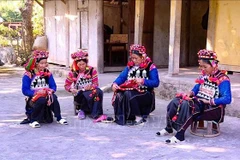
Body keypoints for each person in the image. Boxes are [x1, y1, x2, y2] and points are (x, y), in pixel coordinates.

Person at [156, 49, 232, 144]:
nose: (202, 69)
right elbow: (196, 88)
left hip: (214, 108)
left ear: (213, 65)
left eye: (205, 66)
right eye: (200, 66)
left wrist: (208, 101)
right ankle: (169, 127)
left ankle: (180, 135)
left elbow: (227, 99)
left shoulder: (223, 79)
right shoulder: (204, 76)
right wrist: (191, 92)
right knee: (176, 101)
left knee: (190, 106)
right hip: (200, 103)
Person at [111, 44, 160, 125]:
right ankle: (124, 117)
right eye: (132, 58)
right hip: (132, 91)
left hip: (146, 94)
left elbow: (156, 83)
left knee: (128, 94)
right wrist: (115, 84)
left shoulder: (151, 67)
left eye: (136, 58)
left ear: (142, 57)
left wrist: (143, 81)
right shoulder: (130, 67)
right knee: (120, 94)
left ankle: (138, 116)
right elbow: (122, 77)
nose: (134, 60)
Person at [21, 50, 68, 128]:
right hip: (33, 98)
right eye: (41, 63)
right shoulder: (28, 75)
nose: (44, 65)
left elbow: (53, 86)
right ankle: (33, 120)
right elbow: (25, 90)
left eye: (45, 63)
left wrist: (50, 91)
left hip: (46, 95)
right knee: (41, 99)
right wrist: (36, 92)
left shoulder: (47, 73)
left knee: (54, 97)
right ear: (36, 63)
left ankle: (59, 117)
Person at [64, 49, 106, 122]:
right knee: (86, 94)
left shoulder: (92, 70)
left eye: (83, 64)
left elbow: (96, 83)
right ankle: (84, 110)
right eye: (79, 65)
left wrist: (91, 86)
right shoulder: (73, 73)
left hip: (91, 90)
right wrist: (71, 89)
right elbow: (66, 85)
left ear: (86, 63)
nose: (82, 66)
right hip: (79, 93)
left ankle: (95, 112)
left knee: (99, 92)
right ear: (76, 64)